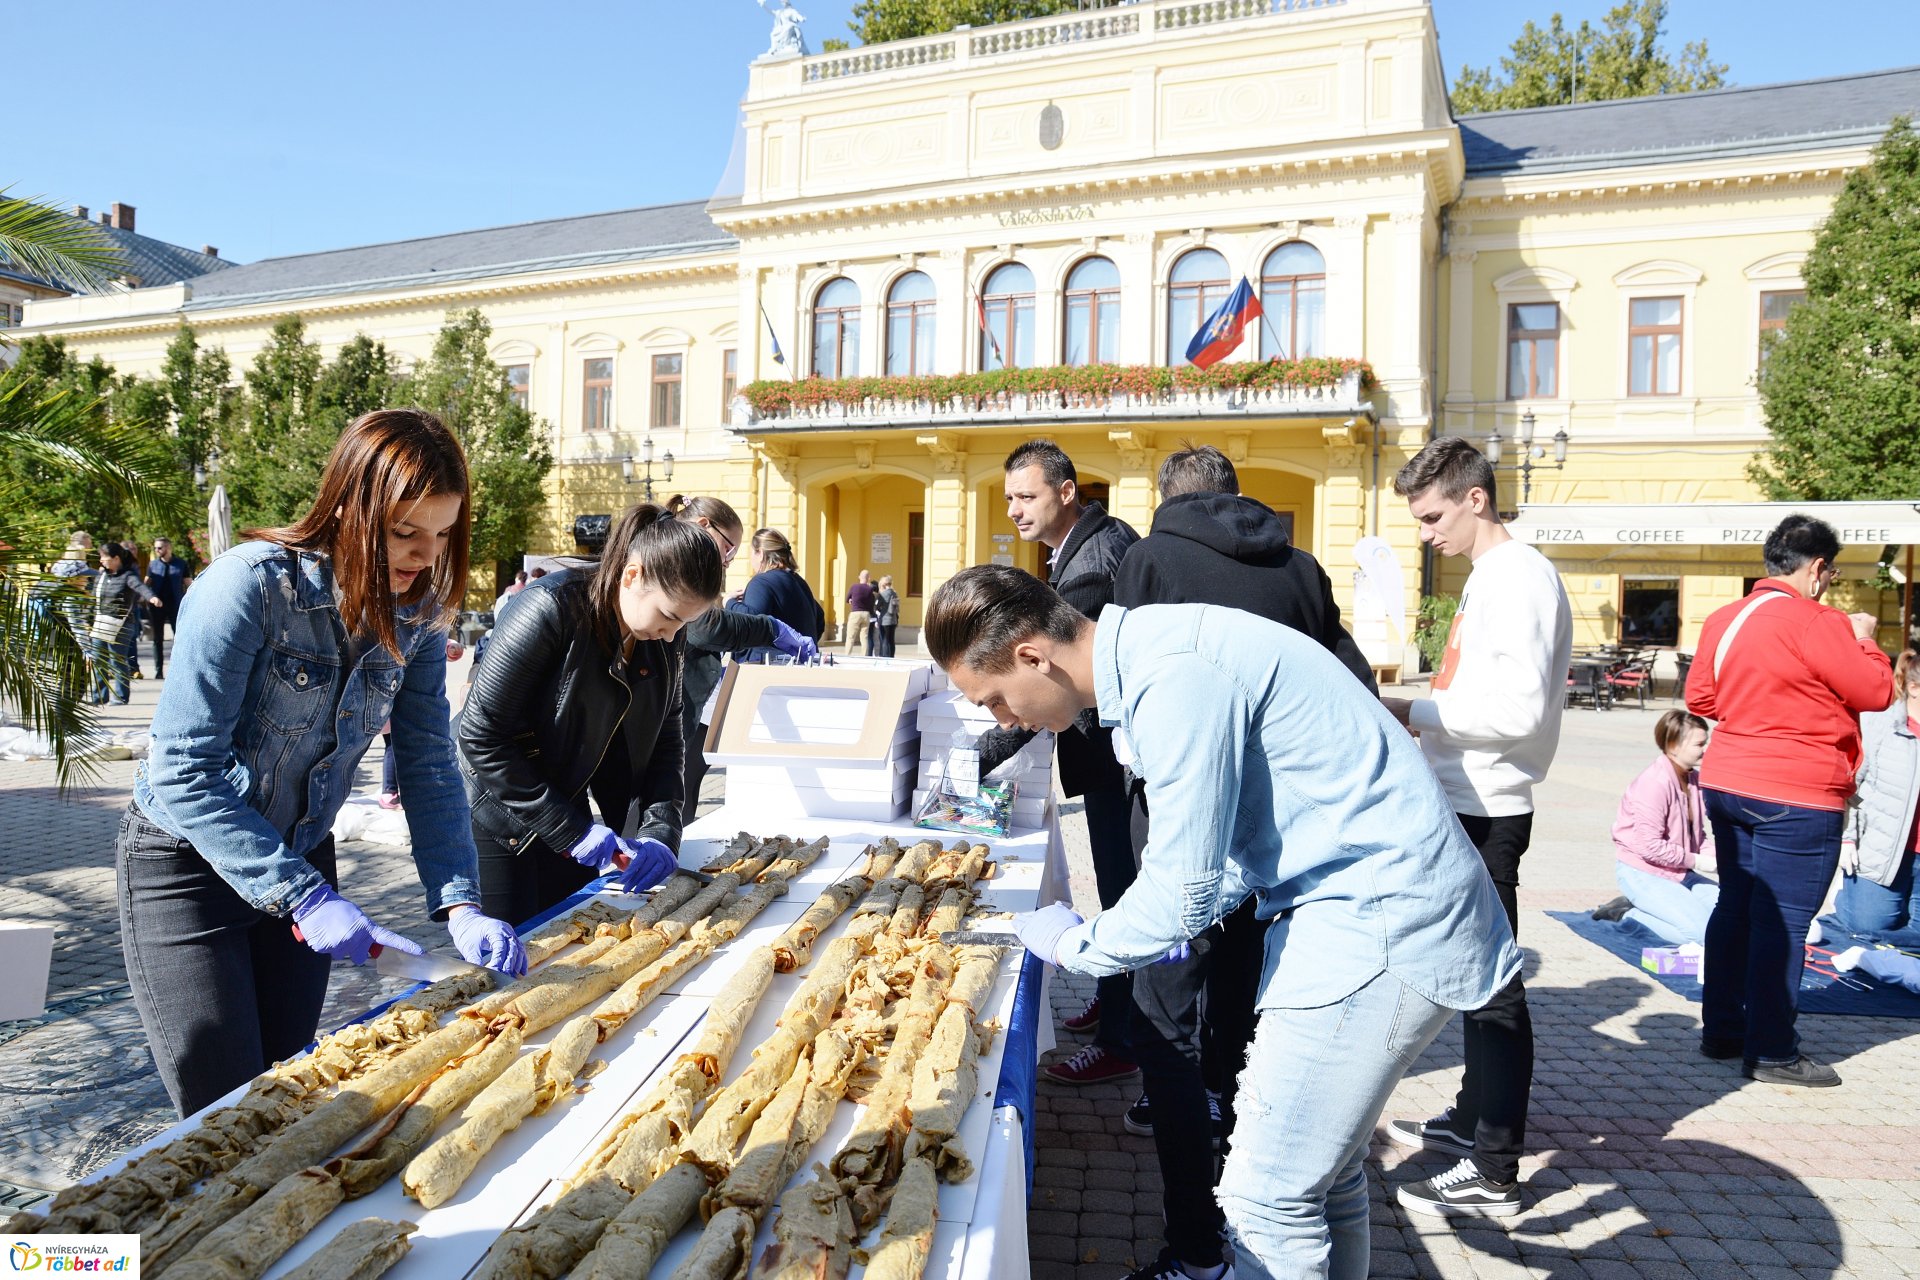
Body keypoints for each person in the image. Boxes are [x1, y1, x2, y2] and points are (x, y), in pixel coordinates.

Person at [925, 565, 1518, 1280]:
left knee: (1263, 1199)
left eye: (993, 700)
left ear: (1031, 655)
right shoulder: (1159, 652)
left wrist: (1077, 945)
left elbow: (1181, 889)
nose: (1004, 722)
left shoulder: (1171, 675)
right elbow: (1229, 853)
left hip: (1377, 923)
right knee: (1323, 1178)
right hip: (1375, 908)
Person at [120, 408, 525, 1118]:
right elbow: (182, 767)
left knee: (286, 1101)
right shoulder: (245, 588)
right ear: (348, 507)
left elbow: (429, 762)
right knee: (224, 1114)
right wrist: (304, 898)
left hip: (303, 860)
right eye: (405, 533)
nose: (424, 556)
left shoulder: (420, 616)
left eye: (440, 535)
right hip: (187, 868)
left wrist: (460, 902)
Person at [1109, 443, 1377, 1280]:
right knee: (1245, 994)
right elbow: (1344, 670)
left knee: (1165, 1019)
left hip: (1189, 814)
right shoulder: (1300, 564)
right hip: (1282, 827)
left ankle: (1195, 1240)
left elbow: (1128, 688)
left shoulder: (1148, 558)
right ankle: (1237, 1127)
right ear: (1236, 494)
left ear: (1166, 499)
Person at [1379, 436, 1572, 1219]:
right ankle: (1471, 1119)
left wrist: (1412, 710)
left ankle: (1495, 1170)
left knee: (1492, 991)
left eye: (1431, 517)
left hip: (1488, 807)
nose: (1426, 533)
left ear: (1475, 499)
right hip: (1469, 796)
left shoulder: (1518, 577)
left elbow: (1518, 710)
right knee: (1475, 982)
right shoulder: (1494, 575)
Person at [1685, 515, 1892, 1086]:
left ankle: (1723, 1029)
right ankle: (1773, 1049)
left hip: (1729, 778)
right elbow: (1876, 691)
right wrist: (1866, 639)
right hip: (1797, 791)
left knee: (1735, 906)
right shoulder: (1819, 620)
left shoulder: (1726, 617)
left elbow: (1700, 695)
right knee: (1783, 924)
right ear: (1818, 568)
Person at [458, 503, 724, 923]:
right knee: (511, 957)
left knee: (568, 931)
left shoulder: (664, 636)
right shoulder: (548, 608)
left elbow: (666, 742)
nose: (672, 635)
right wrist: (572, 830)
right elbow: (479, 736)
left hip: (565, 806)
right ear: (632, 575)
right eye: (669, 616)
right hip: (494, 814)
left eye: (684, 624)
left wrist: (660, 832)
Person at [997, 438, 1142, 1086]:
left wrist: (978, 758)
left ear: (1064, 492)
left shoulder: (1095, 558)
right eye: (1008, 499)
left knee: (1116, 887)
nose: (1014, 511)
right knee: (1101, 886)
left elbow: (1050, 669)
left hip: (1111, 755)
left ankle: (1123, 1038)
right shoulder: (1081, 545)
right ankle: (1110, 1001)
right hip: (1097, 752)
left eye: (1025, 497)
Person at [668, 496, 819, 823]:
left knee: (684, 781)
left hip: (702, 691)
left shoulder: (759, 581)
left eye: (737, 552)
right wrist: (772, 628)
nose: (729, 559)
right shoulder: (675, 561)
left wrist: (739, 612)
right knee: (673, 786)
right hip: (670, 698)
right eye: (728, 548)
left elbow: (708, 623)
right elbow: (703, 627)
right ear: (704, 527)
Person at [1833, 650, 1920, 948]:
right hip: (1882, 853)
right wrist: (1847, 838)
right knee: (1867, 928)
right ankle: (1854, 899)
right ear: (1913, 688)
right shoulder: (1878, 724)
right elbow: (1850, 786)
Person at [1611, 710, 1719, 945]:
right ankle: (1628, 914)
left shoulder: (1694, 780)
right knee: (1701, 934)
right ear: (1674, 746)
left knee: (1730, 918)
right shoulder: (1654, 784)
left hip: (1679, 871)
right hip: (1643, 873)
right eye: (1700, 744)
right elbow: (1650, 846)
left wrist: (1723, 862)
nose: (1705, 749)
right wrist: (1699, 862)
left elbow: (1697, 837)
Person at [728, 528, 824, 663]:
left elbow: (750, 621)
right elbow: (819, 619)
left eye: (751, 553)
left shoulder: (761, 582)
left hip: (766, 668)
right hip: (801, 664)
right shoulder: (799, 582)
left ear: (760, 553)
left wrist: (730, 602)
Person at [90, 542, 161, 705]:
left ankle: (120, 696)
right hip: (101, 623)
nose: (101, 560)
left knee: (117, 660)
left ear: (116, 558)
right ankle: (99, 697)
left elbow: (140, 587)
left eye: (104, 557)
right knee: (98, 660)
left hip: (121, 625)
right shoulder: (101, 577)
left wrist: (152, 597)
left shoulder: (128, 575)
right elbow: (94, 599)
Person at [144, 535, 192, 679]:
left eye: (160, 547)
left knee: (179, 638)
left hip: (176, 605)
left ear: (168, 547)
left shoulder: (181, 564)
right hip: (157, 606)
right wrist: (147, 597)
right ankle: (158, 671)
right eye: (155, 548)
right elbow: (146, 583)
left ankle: (179, 669)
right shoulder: (153, 565)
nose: (157, 550)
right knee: (157, 639)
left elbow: (189, 584)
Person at [845, 569, 877, 655]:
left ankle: (847, 654)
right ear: (868, 578)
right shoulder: (870, 589)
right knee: (864, 637)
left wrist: (851, 600)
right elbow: (871, 602)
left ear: (859, 577)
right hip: (866, 614)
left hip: (855, 613)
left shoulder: (854, 587)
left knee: (850, 637)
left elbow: (847, 599)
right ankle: (864, 655)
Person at [873, 574, 901, 657]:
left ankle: (885, 657)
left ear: (884, 584)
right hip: (893, 620)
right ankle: (891, 656)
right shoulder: (895, 593)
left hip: (885, 620)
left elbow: (876, 607)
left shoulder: (883, 594)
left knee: (884, 639)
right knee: (891, 640)